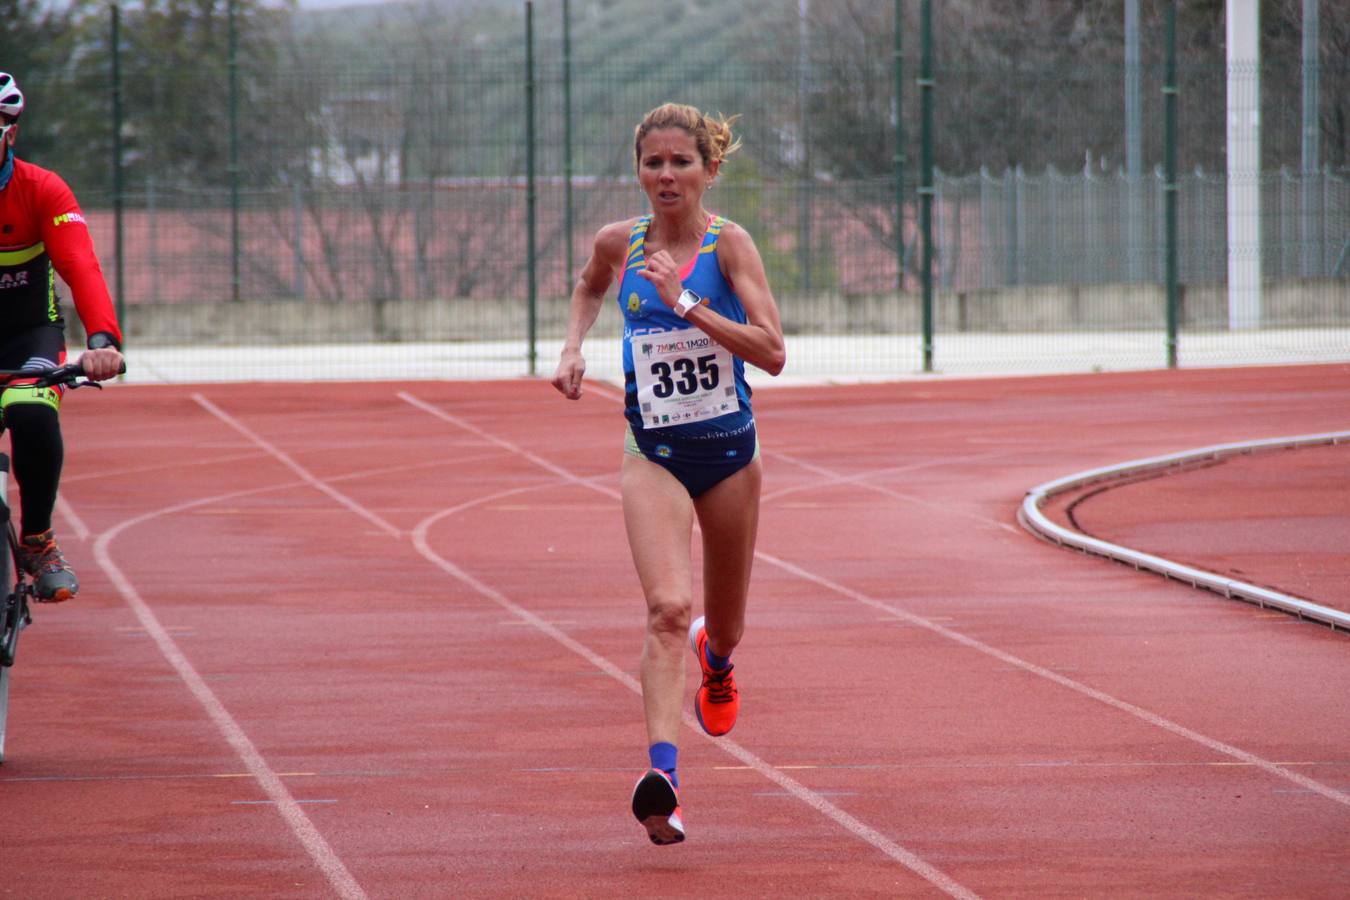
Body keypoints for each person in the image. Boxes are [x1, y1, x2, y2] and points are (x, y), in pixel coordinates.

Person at [551, 102, 785, 845]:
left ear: (709, 170)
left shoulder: (729, 247)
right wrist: (572, 347)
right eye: (654, 162)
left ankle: (717, 664)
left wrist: (685, 303)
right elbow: (589, 287)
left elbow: (773, 350)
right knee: (665, 610)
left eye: (681, 161)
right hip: (651, 452)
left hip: (728, 460)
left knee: (726, 624)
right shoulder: (618, 243)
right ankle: (665, 783)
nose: (666, 174)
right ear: (639, 171)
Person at [0, 72, 125, 602]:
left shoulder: (42, 189)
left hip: (28, 333)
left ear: (10, 132)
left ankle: (37, 540)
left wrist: (101, 341)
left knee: (31, 411)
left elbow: (80, 264)